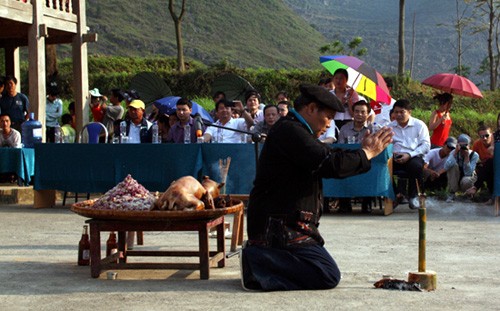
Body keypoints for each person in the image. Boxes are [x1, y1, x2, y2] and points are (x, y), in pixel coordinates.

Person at [242, 84, 393, 291]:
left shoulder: (296, 129)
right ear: (311, 109)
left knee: (323, 270)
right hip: (278, 226)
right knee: (326, 273)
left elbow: (328, 153)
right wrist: (366, 153)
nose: (329, 123)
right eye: (328, 117)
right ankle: (257, 262)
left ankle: (262, 261)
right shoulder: (290, 130)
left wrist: (360, 151)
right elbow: (328, 164)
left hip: (288, 222)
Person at [391, 99, 430, 210]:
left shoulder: (419, 125)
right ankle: (396, 194)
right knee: (383, 166)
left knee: (416, 166)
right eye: (396, 112)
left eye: (402, 112)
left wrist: (409, 154)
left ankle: (413, 197)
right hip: (395, 157)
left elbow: (426, 146)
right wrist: (391, 152)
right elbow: (385, 144)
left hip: (413, 156)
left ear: (409, 112)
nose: (398, 115)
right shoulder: (390, 127)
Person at [336, 100, 374, 213]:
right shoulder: (344, 128)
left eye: (363, 112)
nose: (359, 114)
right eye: (357, 111)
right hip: (348, 159)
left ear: (368, 114)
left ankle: (366, 204)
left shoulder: (372, 129)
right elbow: (340, 146)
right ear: (352, 113)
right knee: (340, 168)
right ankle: (344, 204)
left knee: (371, 171)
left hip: (366, 160)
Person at [466, 117, 500, 204]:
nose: (484, 138)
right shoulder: (477, 144)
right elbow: (474, 160)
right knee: (484, 166)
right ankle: (491, 195)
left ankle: (476, 188)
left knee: (489, 162)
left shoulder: (496, 140)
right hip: (487, 171)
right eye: (482, 136)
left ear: (491, 135)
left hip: (496, 167)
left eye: (487, 135)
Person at [444, 134, 479, 203]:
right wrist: (455, 153)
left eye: (465, 145)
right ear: (457, 145)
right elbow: (446, 167)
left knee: (466, 180)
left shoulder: (474, 155)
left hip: (467, 178)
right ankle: (452, 193)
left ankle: (468, 195)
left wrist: (467, 158)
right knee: (453, 166)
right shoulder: (454, 153)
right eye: (461, 145)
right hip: (456, 177)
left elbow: (468, 173)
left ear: (469, 146)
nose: (463, 148)